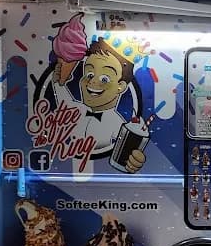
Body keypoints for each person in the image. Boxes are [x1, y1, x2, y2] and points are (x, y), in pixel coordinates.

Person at [52, 38, 145, 173]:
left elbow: (125, 151)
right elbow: (63, 98)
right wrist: (57, 82)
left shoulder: (118, 125)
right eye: (89, 74)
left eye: (104, 79)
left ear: (121, 86)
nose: (92, 82)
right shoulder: (75, 110)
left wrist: (133, 161)